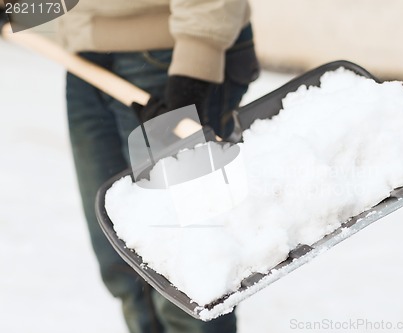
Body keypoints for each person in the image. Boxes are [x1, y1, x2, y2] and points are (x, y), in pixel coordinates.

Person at [2, 1, 259, 332]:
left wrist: (192, 73)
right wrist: (22, 9)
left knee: (186, 272)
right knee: (123, 258)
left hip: (171, 58)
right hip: (86, 57)